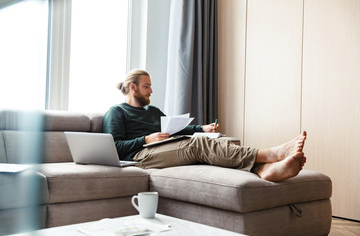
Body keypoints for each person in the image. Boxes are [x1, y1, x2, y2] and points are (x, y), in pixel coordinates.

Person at [103, 69, 307, 182]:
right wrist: (146, 139)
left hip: (159, 149)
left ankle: (261, 170)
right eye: (146, 86)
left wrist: (202, 129)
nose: (151, 90)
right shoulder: (117, 112)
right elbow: (114, 148)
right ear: (132, 87)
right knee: (198, 146)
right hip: (139, 157)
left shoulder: (153, 111)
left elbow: (176, 128)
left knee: (203, 141)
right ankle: (270, 154)